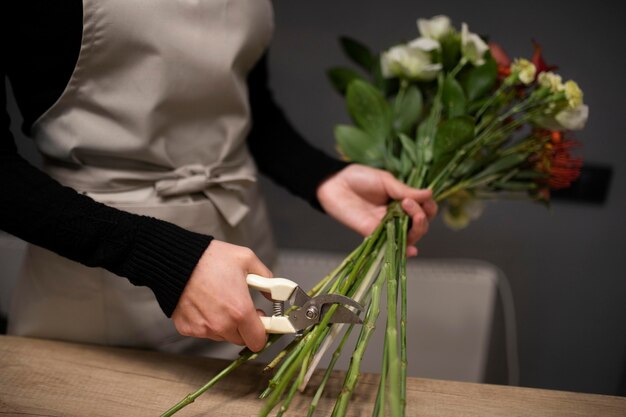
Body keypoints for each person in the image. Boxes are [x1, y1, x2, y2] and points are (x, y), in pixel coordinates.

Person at [0, 0, 437, 355]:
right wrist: (166, 260)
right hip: (98, 296)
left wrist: (323, 177)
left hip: (243, 266)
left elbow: (246, 105)